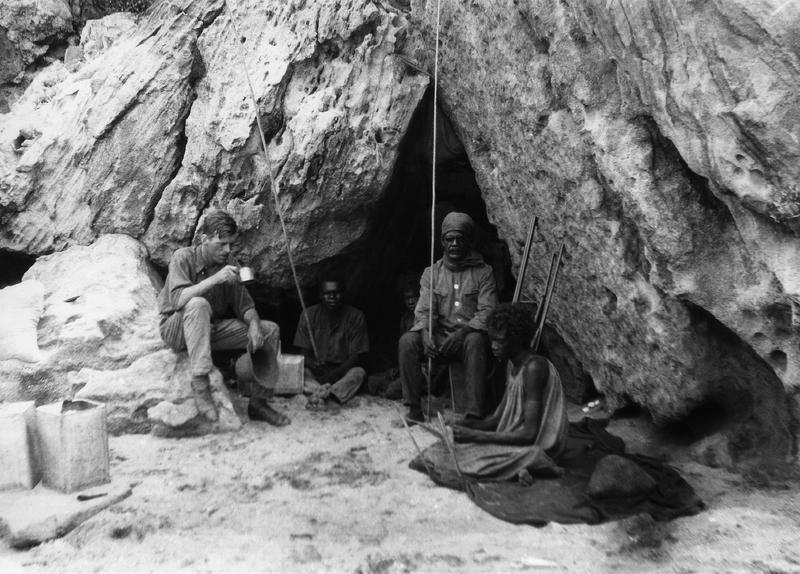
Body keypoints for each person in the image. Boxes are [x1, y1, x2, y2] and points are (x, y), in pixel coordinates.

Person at [157, 209, 290, 426]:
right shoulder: (183, 258)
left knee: (270, 330)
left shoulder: (229, 263)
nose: (227, 250)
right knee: (198, 304)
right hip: (177, 329)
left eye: (230, 244)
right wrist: (216, 279)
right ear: (204, 239)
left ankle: (258, 403)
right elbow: (178, 300)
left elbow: (245, 306)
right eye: (221, 244)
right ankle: (200, 384)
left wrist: (254, 325)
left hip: (210, 330)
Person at [417, 303, 568, 481]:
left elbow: (529, 434)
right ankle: (519, 467)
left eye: (500, 341)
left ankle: (530, 463)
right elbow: (496, 420)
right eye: (492, 339)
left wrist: (475, 435)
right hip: (516, 439)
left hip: (538, 444)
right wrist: (463, 424)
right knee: (441, 450)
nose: (494, 346)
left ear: (518, 339)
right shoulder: (512, 364)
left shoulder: (535, 367)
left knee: (465, 457)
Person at [398, 212, 498, 423]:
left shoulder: (483, 272)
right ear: (442, 241)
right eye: (449, 239)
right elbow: (425, 310)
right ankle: (414, 409)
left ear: (469, 241)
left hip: (468, 340)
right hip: (440, 339)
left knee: (476, 340)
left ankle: (473, 414)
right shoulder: (431, 273)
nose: (454, 244)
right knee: (408, 341)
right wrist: (426, 332)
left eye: (460, 239)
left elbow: (488, 310)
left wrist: (463, 333)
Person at [294, 277, 369, 406]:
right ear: (320, 295)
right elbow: (303, 354)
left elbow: (356, 356)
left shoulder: (356, 316)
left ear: (343, 294)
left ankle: (326, 394)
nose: (332, 297)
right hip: (318, 373)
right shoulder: (308, 315)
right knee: (301, 372)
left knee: (359, 373)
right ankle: (323, 392)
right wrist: (314, 365)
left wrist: (337, 372)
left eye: (337, 292)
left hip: (343, 371)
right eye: (327, 293)